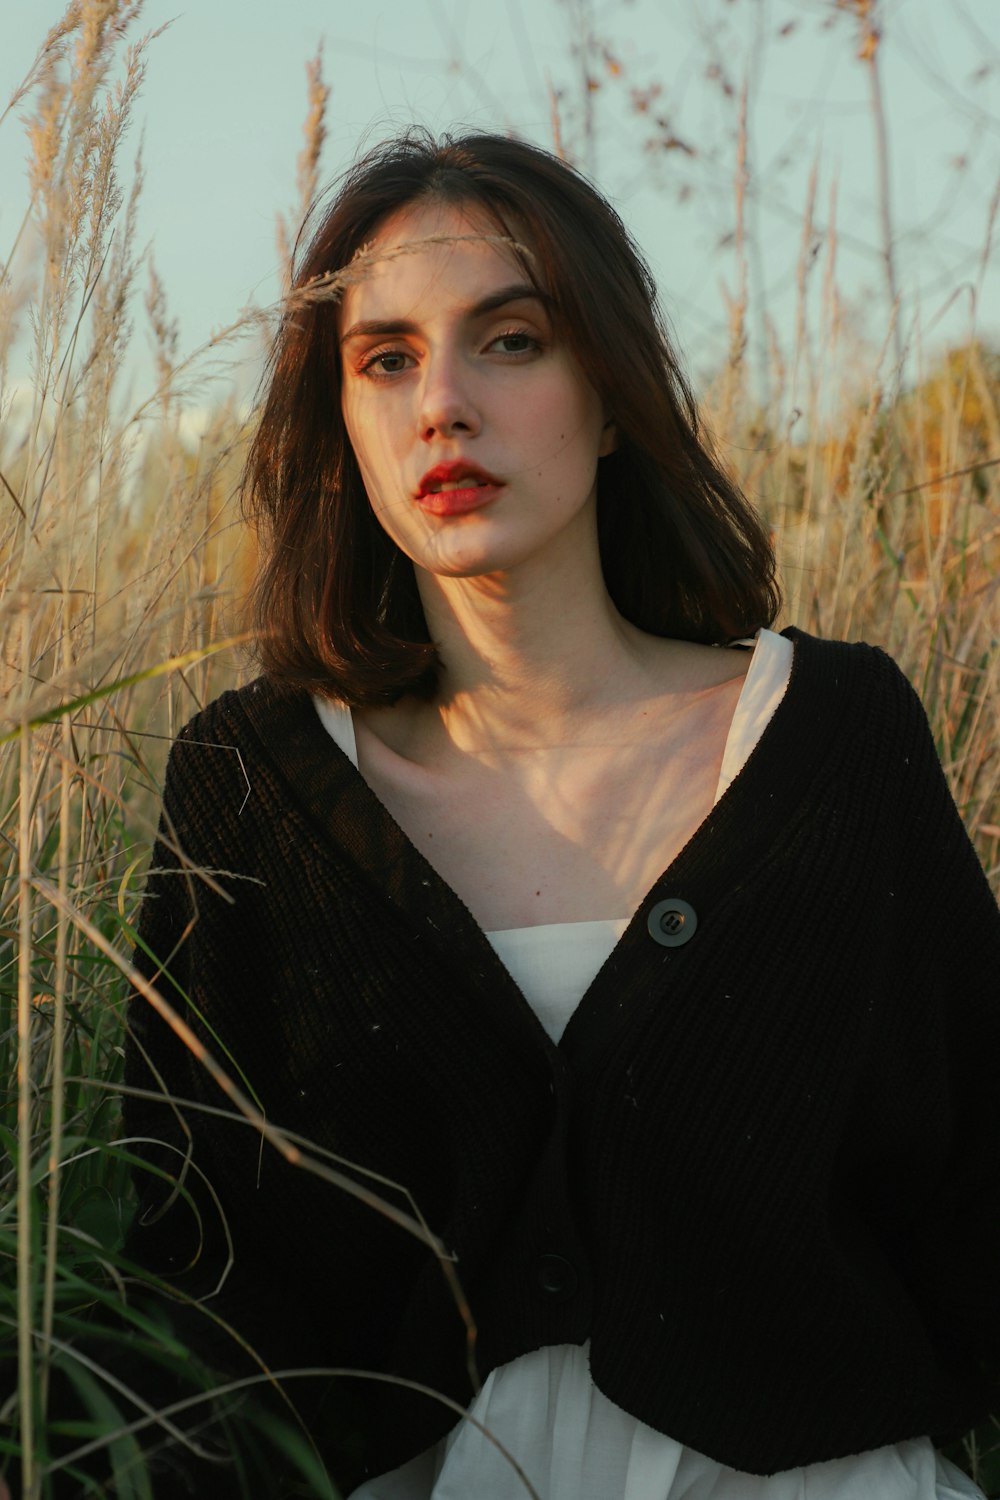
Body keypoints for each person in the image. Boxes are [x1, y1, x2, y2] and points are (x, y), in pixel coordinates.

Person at [123, 130, 1000, 1499]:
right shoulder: (252, 792)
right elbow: (192, 1280)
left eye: (512, 341)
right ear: (341, 425)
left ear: (609, 390)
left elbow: (974, 1194)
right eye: (387, 359)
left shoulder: (831, 742)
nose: (444, 406)